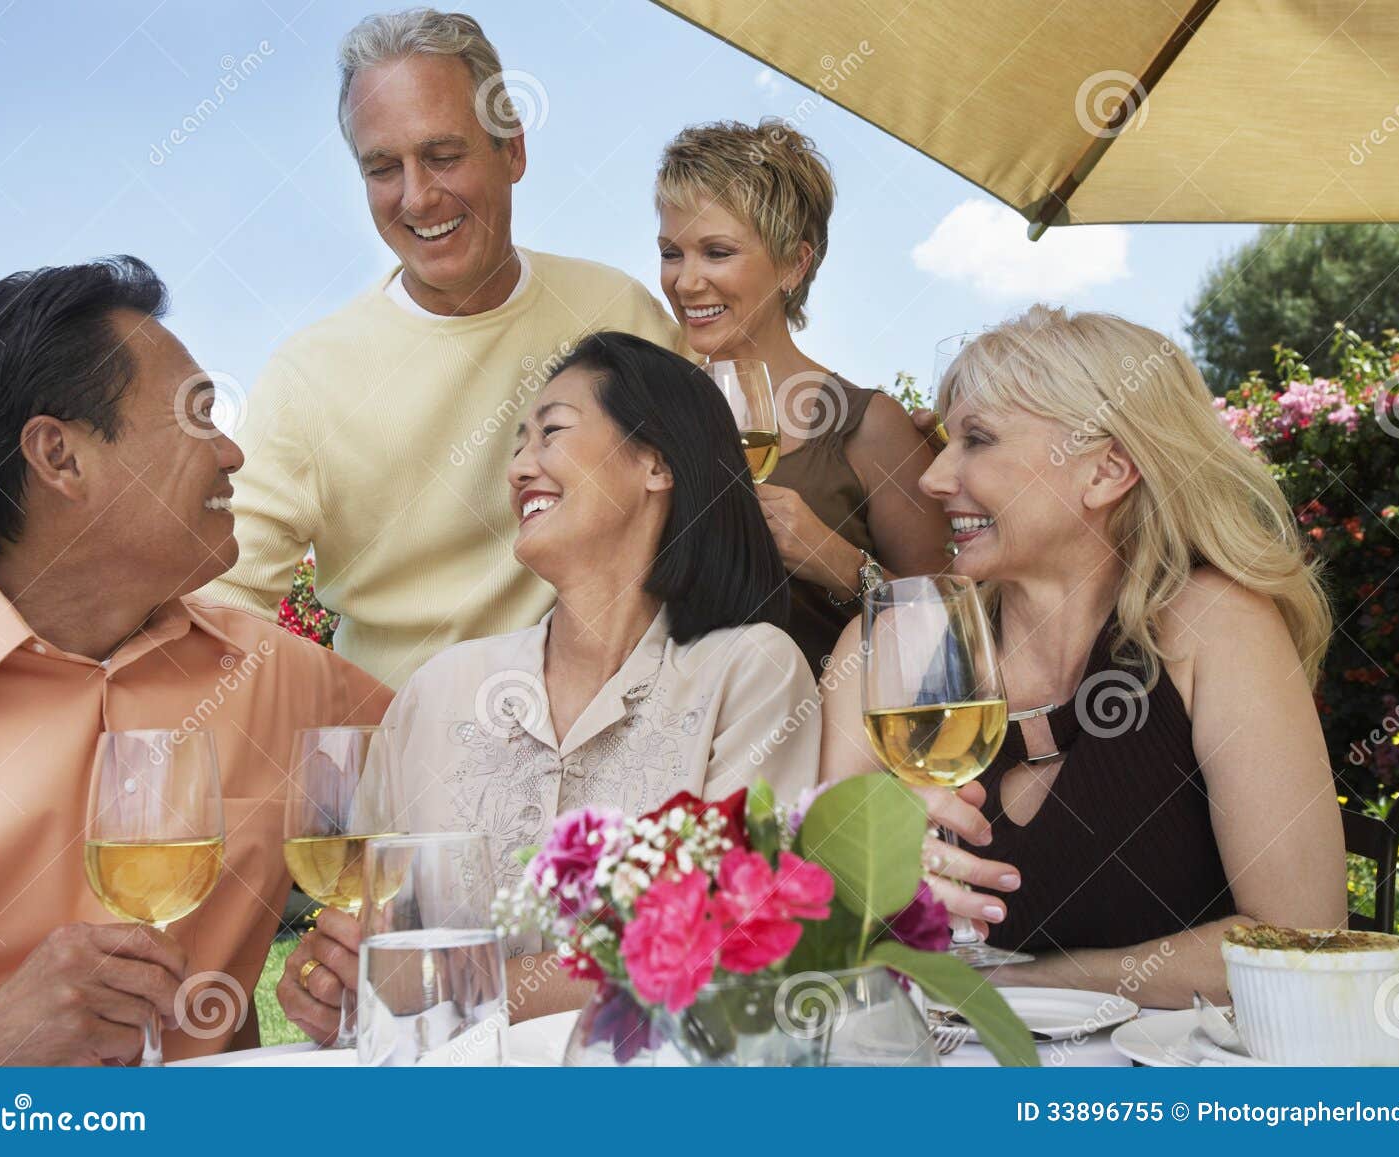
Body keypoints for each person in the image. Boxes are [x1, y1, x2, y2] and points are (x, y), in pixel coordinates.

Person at [0, 257, 393, 1065]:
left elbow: (496, 787)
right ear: (60, 457)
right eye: (198, 416)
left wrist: (376, 953)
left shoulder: (279, 675)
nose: (234, 454)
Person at [281, 332, 821, 1030]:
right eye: (516, 445)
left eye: (551, 433)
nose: (519, 468)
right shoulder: (439, 688)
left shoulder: (750, 672)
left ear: (656, 462)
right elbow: (374, 953)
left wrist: (442, 985)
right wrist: (336, 987)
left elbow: (720, 944)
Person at [820, 305, 1346, 1007]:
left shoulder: (1215, 627)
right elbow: (822, 923)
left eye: (977, 439)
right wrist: (871, 887)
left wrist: (1016, 984)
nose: (933, 477)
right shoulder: (892, 646)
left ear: (1106, 471)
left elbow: (1301, 939)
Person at [200, 8, 685, 691]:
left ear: (512, 148)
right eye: (383, 168)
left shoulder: (619, 313)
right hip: (401, 765)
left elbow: (709, 512)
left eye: (443, 155)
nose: (419, 198)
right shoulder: (310, 376)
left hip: (624, 737)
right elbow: (220, 600)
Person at [655, 119, 950, 676]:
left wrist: (839, 563)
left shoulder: (871, 426)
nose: (686, 282)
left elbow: (950, 629)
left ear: (795, 263)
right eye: (672, 253)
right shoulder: (652, 417)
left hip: (831, 750)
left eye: (717, 252)